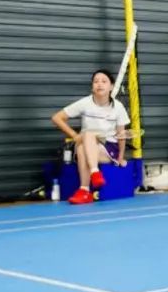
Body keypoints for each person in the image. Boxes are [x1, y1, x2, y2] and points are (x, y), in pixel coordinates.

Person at [51, 69, 130, 205]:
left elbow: (121, 135)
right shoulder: (85, 103)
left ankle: (85, 189)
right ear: (92, 86)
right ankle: (92, 178)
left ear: (111, 86)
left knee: (85, 139)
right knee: (84, 143)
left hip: (108, 149)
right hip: (88, 146)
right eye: (96, 81)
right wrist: (74, 135)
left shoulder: (118, 107)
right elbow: (56, 118)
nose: (99, 84)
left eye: (104, 81)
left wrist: (121, 157)